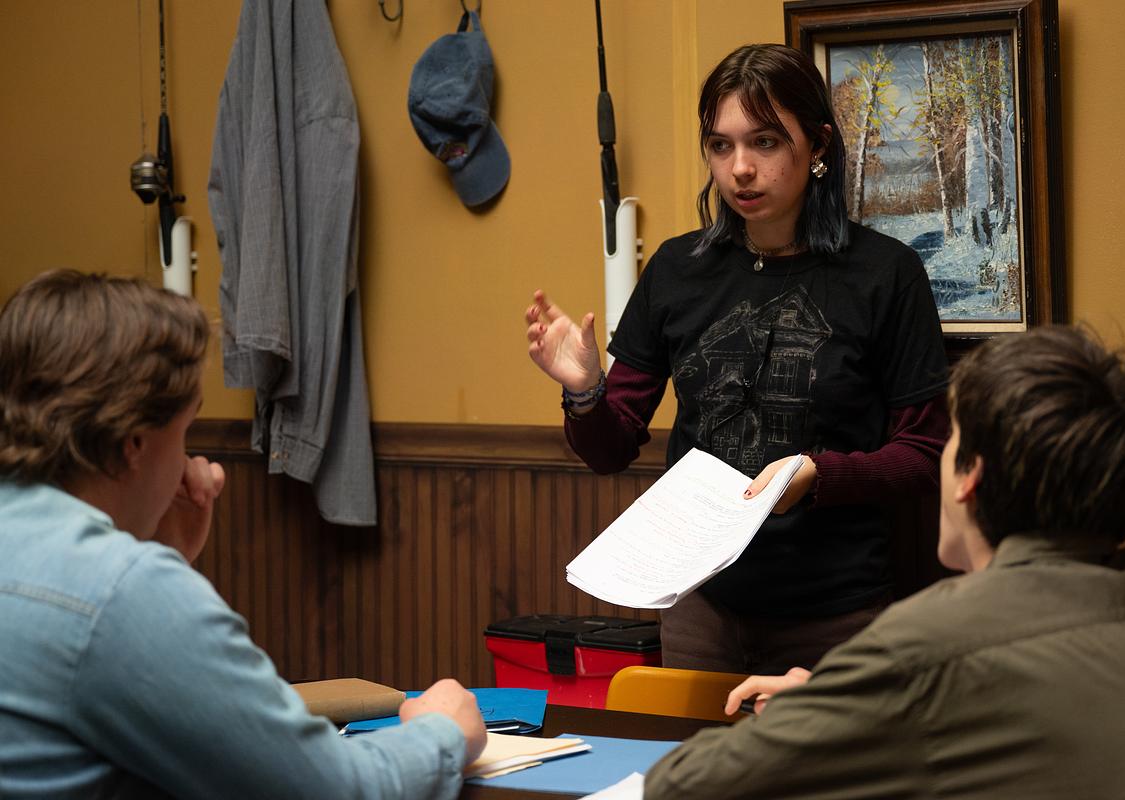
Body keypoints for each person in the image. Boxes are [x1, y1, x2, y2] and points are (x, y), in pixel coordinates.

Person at [525, 43, 948, 672]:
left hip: (838, 613)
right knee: (697, 770)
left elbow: (924, 454)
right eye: (720, 146)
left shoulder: (886, 274)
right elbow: (610, 449)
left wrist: (819, 476)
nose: (740, 168)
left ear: (819, 146)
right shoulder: (677, 269)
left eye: (766, 143)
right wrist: (585, 391)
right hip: (702, 607)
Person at [643, 325, 1125, 799]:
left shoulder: (924, 647)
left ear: (970, 480)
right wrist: (841, 703)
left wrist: (829, 710)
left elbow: (682, 785)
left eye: (953, 440)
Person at [0, 271, 486, 799]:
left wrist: (157, 554)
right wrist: (443, 732)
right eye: (185, 431)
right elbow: (336, 790)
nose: (189, 462)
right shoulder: (122, 591)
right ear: (134, 441)